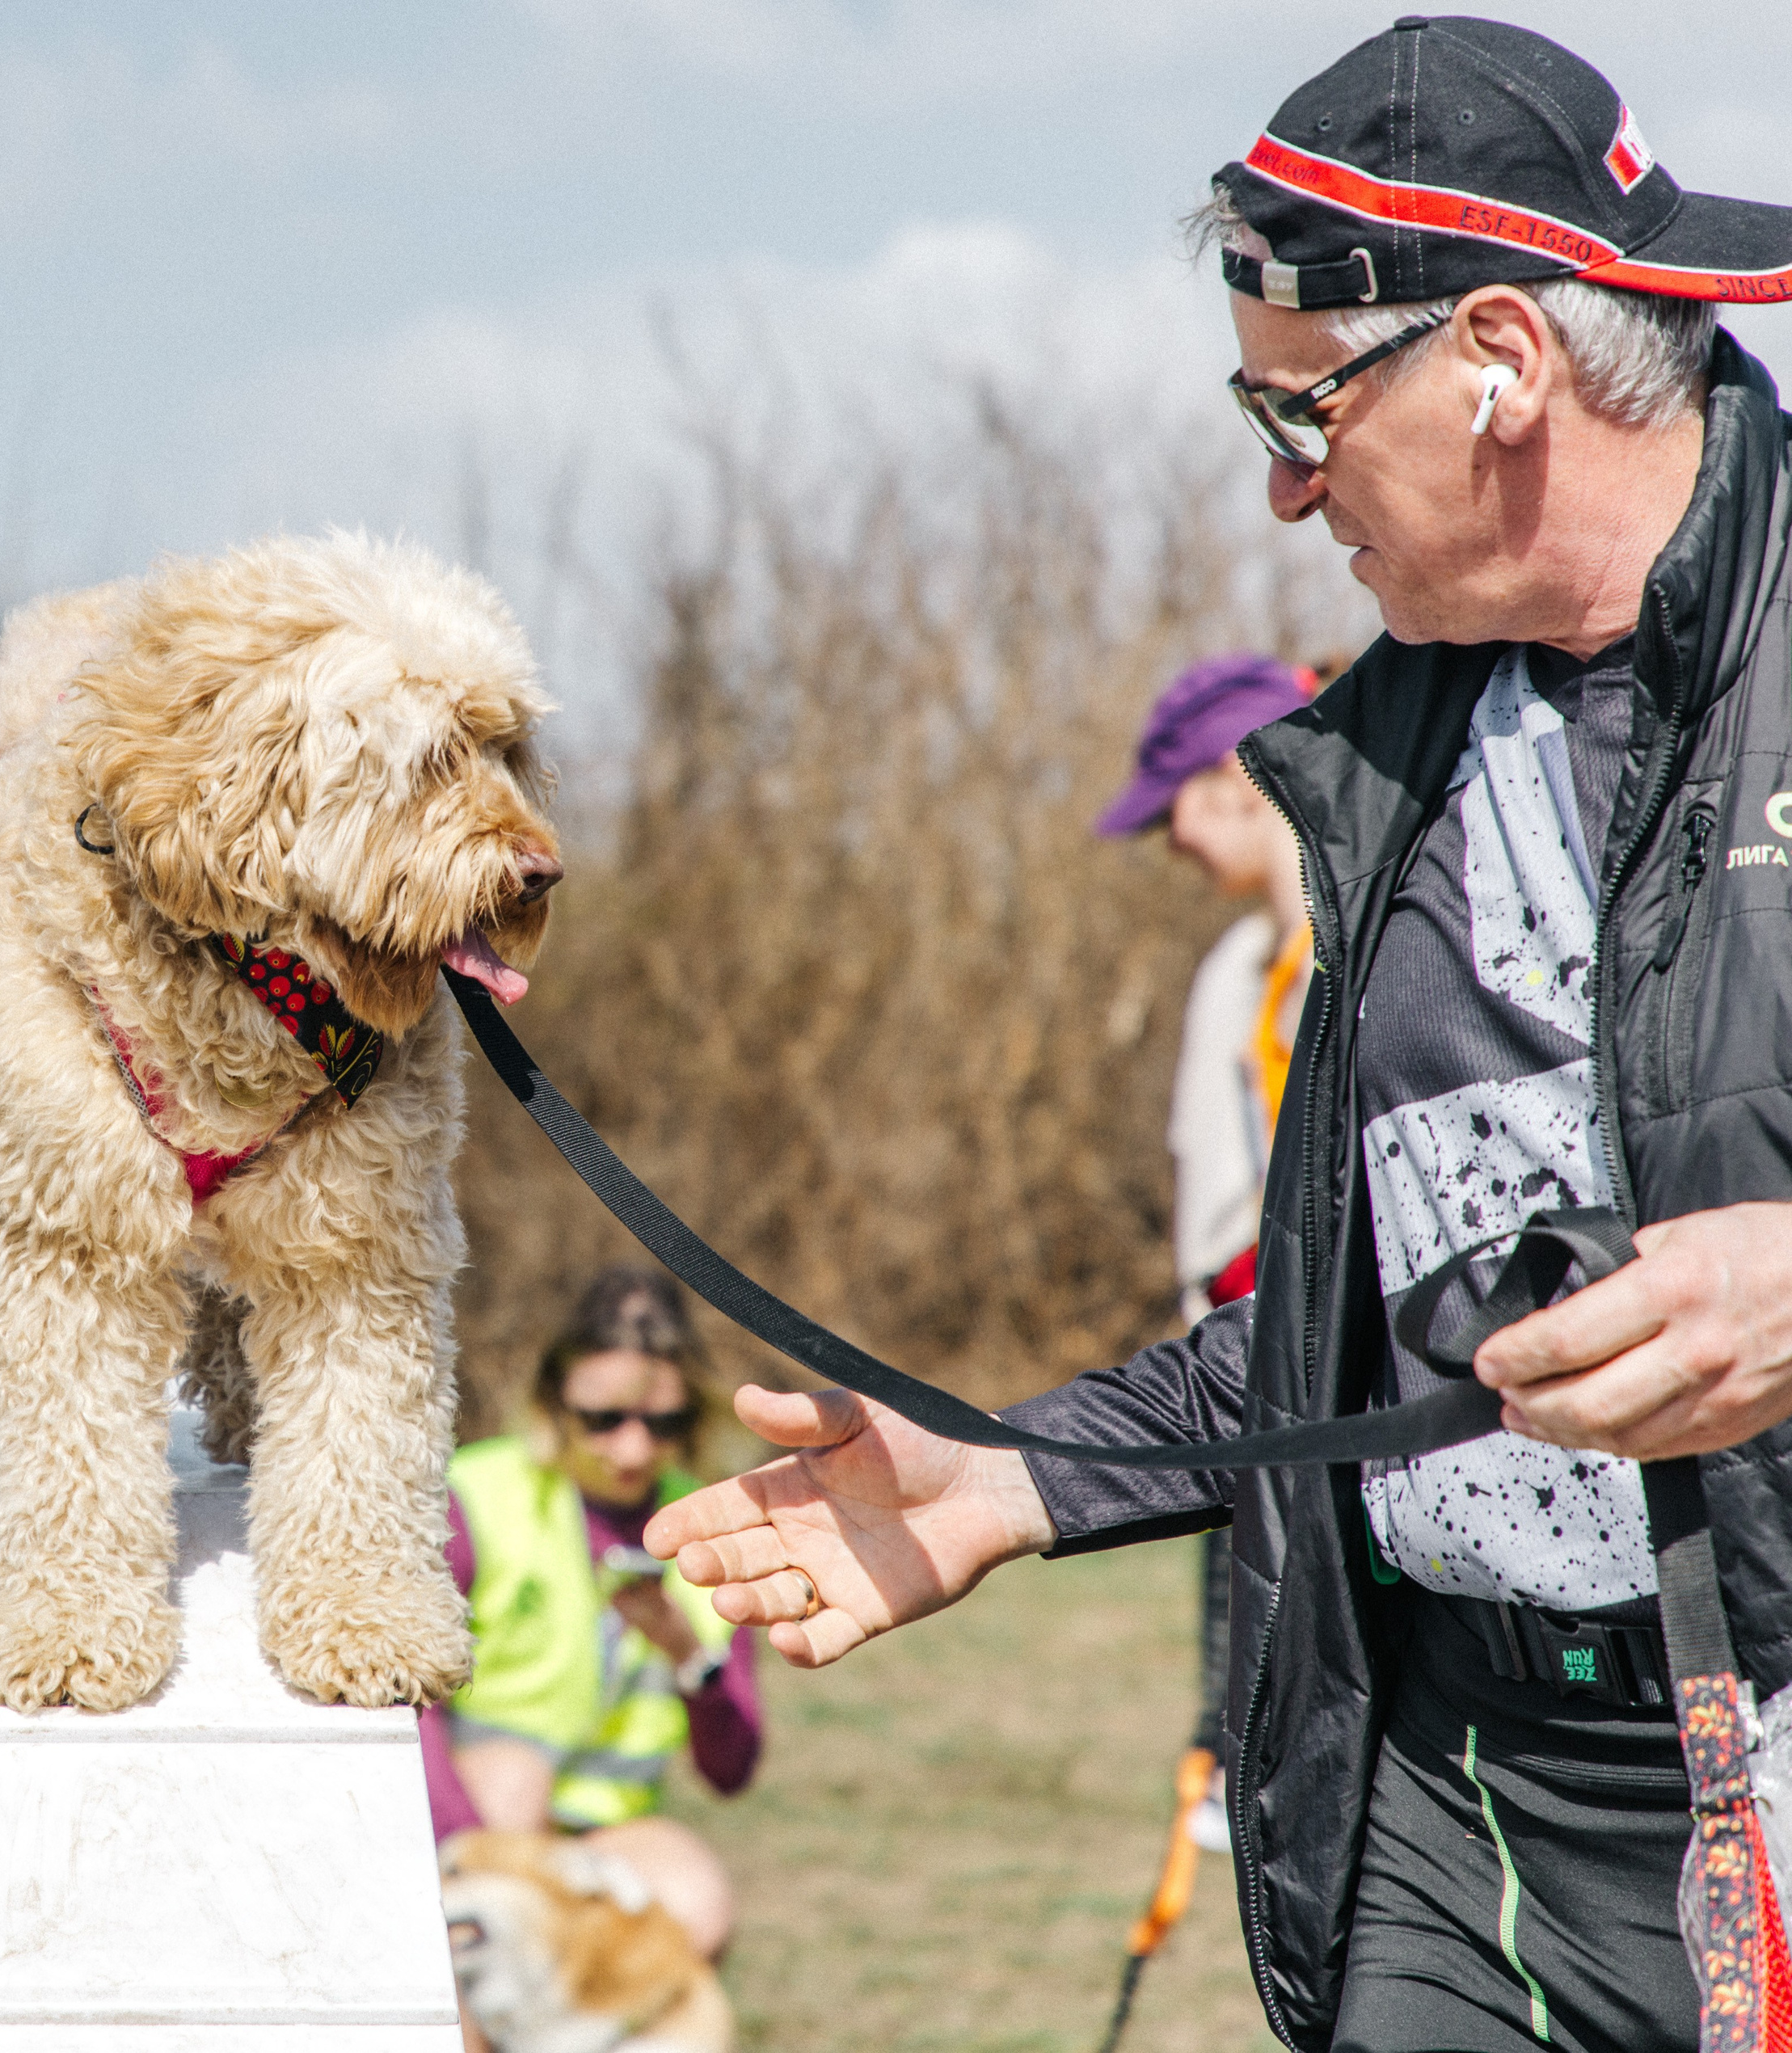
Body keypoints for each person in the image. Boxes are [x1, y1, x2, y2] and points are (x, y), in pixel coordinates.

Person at [646, 21, 1792, 2053]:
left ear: (1498, 361)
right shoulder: (1380, 755)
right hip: (1466, 1804)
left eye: (1300, 411)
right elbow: (1345, 1320)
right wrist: (1010, 1481)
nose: (1277, 491)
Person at [1095, 651, 1314, 1852]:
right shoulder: (1251, 964)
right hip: (1247, 1388)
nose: (1171, 847)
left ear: (1242, 778)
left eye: (1174, 807)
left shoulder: (1352, 937)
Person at [424, 1267, 761, 1965]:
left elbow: (731, 1771)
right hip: (474, 1814)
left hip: (603, 1835)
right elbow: (406, 1702)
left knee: (695, 1898)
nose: (632, 1450)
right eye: (603, 1419)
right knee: (514, 1787)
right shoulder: (474, 1497)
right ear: (552, 1403)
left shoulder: (719, 1531)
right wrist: (469, 1849)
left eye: (663, 1422)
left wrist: (687, 1654)